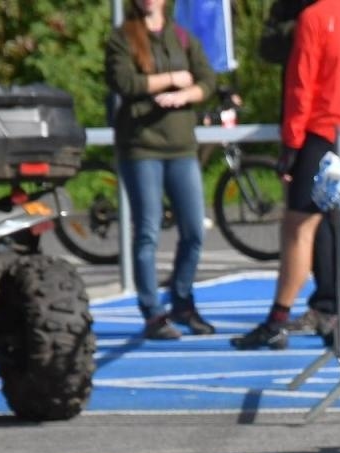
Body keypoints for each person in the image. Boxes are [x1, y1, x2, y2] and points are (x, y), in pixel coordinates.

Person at [232, 0, 340, 350]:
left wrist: (290, 146)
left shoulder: (314, 17)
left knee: (298, 229)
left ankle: (277, 318)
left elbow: (300, 85)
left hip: (321, 134)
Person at [105, 0, 218, 340]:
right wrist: (170, 79)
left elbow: (207, 79)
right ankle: (153, 312)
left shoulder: (181, 36)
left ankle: (182, 300)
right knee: (148, 231)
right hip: (141, 147)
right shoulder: (122, 37)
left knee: (194, 231)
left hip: (181, 146)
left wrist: (186, 94)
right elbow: (124, 82)